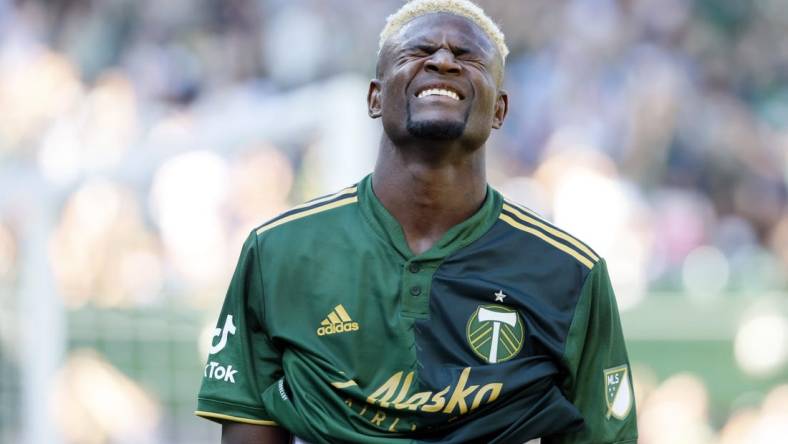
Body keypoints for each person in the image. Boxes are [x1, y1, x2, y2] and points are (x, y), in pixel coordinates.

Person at [196, 1, 638, 443]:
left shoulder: (569, 273)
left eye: (467, 57)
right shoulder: (278, 251)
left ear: (500, 111)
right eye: (417, 52)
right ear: (374, 97)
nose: (443, 61)